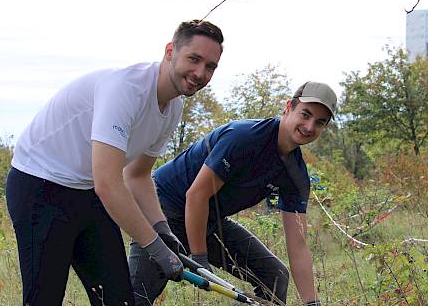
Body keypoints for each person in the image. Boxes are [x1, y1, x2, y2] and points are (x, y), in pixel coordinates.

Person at [5, 20, 225, 305]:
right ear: (170, 51)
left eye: (210, 67)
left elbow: (137, 174)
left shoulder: (172, 106)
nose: (200, 73)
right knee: (44, 298)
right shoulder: (126, 89)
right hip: (39, 186)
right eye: (193, 59)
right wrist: (156, 249)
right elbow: (108, 184)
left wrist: (162, 229)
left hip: (86, 191)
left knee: (118, 299)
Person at [129, 82, 336, 306]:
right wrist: (200, 259)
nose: (309, 126)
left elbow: (298, 244)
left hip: (208, 218)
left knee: (273, 276)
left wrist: (312, 303)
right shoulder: (245, 137)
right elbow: (196, 196)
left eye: (319, 122)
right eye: (305, 114)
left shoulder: (296, 175)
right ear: (289, 107)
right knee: (135, 298)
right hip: (163, 209)